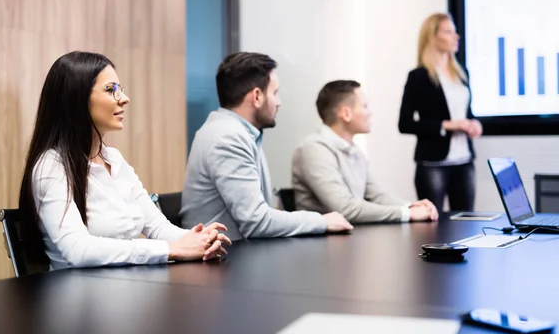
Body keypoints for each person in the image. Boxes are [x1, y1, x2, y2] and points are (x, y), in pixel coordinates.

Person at [19, 51, 231, 271]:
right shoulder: (51, 166)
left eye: (120, 89)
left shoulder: (114, 159)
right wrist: (169, 249)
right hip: (82, 298)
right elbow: (77, 249)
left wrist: (199, 240)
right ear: (76, 98)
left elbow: (157, 227)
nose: (124, 98)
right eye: (111, 90)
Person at [180, 52, 353, 241]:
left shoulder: (241, 132)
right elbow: (257, 222)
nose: (279, 102)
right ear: (257, 96)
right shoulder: (227, 137)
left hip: (238, 254)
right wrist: (321, 221)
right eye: (275, 93)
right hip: (224, 262)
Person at [292, 80, 438, 223]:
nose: (370, 113)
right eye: (365, 106)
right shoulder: (314, 148)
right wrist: (407, 213)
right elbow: (345, 209)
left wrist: (410, 206)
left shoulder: (353, 150)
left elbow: (376, 195)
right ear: (346, 113)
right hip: (320, 243)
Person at [398, 13, 482, 212]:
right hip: (433, 163)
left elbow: (465, 112)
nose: (456, 37)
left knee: (464, 222)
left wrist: (474, 123)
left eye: (455, 32)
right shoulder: (418, 77)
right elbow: (405, 123)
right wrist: (447, 125)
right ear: (432, 36)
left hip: (464, 161)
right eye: (448, 31)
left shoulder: (462, 73)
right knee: (433, 225)